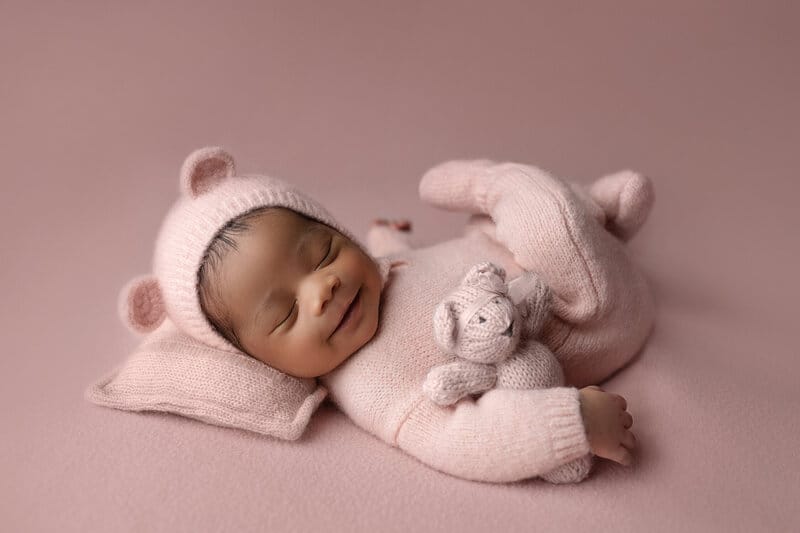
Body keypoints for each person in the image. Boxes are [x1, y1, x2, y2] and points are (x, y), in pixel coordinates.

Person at [137, 146, 655, 483]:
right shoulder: (371, 381)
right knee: (540, 222)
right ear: (263, 361)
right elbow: (463, 440)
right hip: (583, 315)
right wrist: (572, 423)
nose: (323, 290)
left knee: (489, 229)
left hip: (502, 253)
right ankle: (546, 199)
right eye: (285, 313)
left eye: (322, 252)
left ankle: (590, 214)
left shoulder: (374, 269)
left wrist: (388, 237)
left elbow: (394, 263)